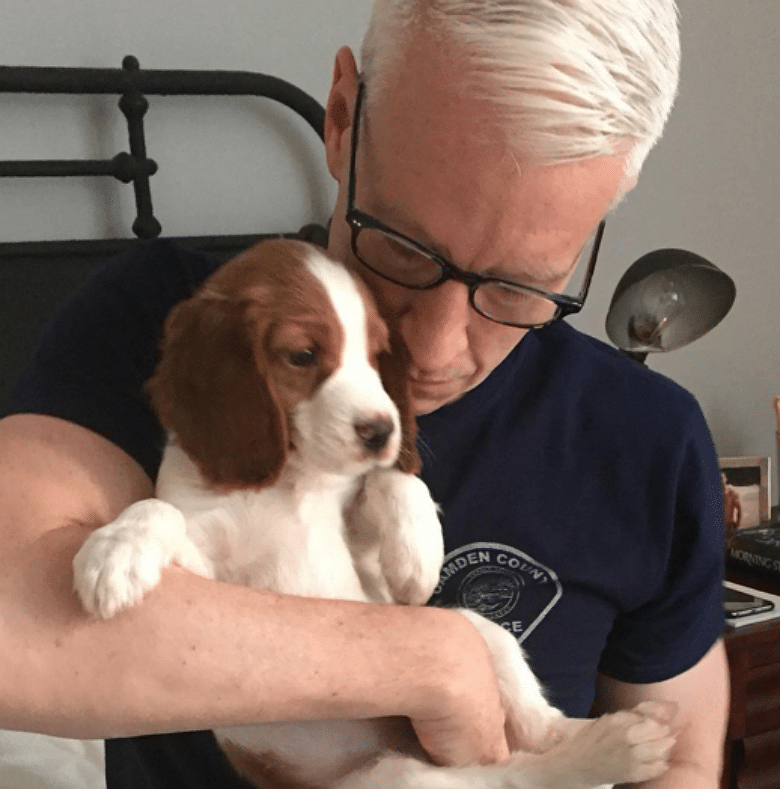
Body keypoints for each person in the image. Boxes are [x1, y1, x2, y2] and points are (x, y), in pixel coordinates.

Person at [0, 1, 729, 787]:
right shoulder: (168, 322)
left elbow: (679, 761)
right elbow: (14, 621)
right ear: (342, 120)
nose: (433, 349)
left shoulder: (651, 435)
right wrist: (428, 660)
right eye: (405, 246)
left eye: (523, 287)